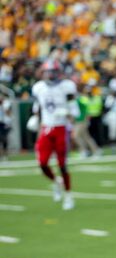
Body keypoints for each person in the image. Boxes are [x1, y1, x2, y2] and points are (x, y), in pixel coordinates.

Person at [31, 60, 77, 210]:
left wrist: (67, 112)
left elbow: (75, 111)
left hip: (61, 128)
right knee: (42, 163)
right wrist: (35, 117)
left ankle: (68, 196)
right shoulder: (38, 88)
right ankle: (57, 182)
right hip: (46, 128)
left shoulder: (66, 87)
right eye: (47, 72)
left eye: (53, 72)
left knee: (62, 164)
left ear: (59, 73)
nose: (50, 75)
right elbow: (38, 106)